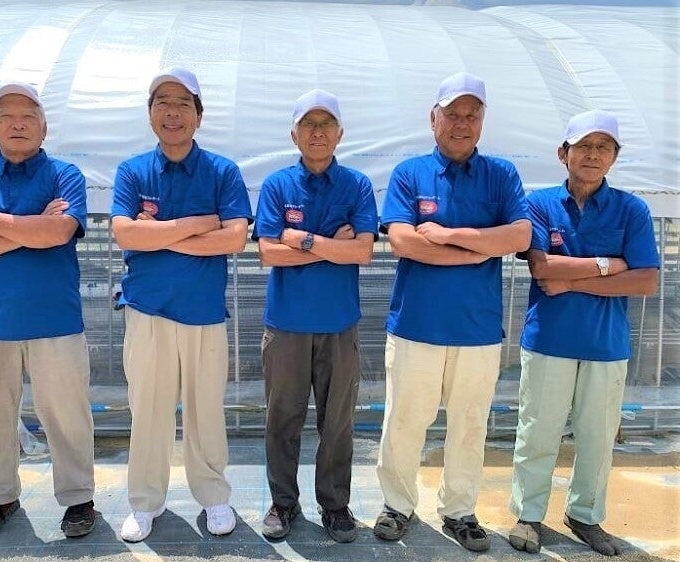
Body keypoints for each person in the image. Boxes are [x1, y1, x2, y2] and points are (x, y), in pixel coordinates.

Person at [373, 72, 531, 552]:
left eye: (472, 115)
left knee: (469, 425)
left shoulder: (501, 174)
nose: (462, 123)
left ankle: (459, 510)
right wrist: (479, 249)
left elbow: (519, 236)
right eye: (453, 114)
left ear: (482, 120)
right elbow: (403, 241)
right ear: (433, 119)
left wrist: (446, 235)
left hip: (476, 330)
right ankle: (397, 505)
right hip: (416, 326)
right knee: (404, 421)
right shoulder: (410, 173)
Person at [0, 81, 96, 542]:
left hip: (56, 322)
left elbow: (59, 233)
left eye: (28, 115)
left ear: (44, 127)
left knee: (67, 415)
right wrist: (34, 228)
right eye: (6, 116)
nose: (18, 123)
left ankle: (78, 499)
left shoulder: (64, 174)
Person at [508, 110, 660, 556]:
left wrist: (573, 282)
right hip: (549, 339)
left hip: (605, 344)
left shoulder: (631, 209)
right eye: (584, 146)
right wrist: (610, 265)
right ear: (564, 153)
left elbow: (645, 280)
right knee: (538, 431)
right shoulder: (540, 204)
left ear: (614, 157)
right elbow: (541, 267)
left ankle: (585, 515)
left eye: (604, 147)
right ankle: (528, 514)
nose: (594, 155)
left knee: (597, 437)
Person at [110, 66, 252, 542]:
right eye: (163, 102)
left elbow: (234, 238)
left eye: (182, 103)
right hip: (147, 311)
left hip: (202, 313)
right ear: (150, 113)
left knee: (205, 410)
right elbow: (126, 233)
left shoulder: (222, 171)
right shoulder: (133, 171)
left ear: (198, 115)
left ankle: (213, 497)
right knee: (147, 411)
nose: (172, 112)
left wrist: (158, 234)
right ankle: (145, 502)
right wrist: (196, 224)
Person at [253, 89, 378, 543]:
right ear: (294, 134)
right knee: (282, 419)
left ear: (340, 133)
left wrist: (302, 239)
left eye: (326, 124)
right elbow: (268, 252)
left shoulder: (357, 185)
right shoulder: (277, 185)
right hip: (286, 325)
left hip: (338, 325)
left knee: (337, 423)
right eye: (309, 124)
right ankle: (283, 502)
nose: (318, 132)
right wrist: (332, 246)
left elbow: (362, 251)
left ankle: (335, 504)